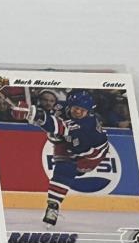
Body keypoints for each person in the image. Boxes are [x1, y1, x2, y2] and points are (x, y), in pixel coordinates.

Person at [10, 90, 111, 227]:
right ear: (70, 105)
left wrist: (33, 114)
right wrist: (28, 113)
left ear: (89, 111)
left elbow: (58, 126)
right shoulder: (60, 108)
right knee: (62, 169)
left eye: (83, 110)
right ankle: (53, 206)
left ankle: (55, 203)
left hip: (91, 154)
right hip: (70, 142)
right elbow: (50, 121)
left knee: (68, 168)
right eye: (76, 108)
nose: (78, 112)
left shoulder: (87, 124)